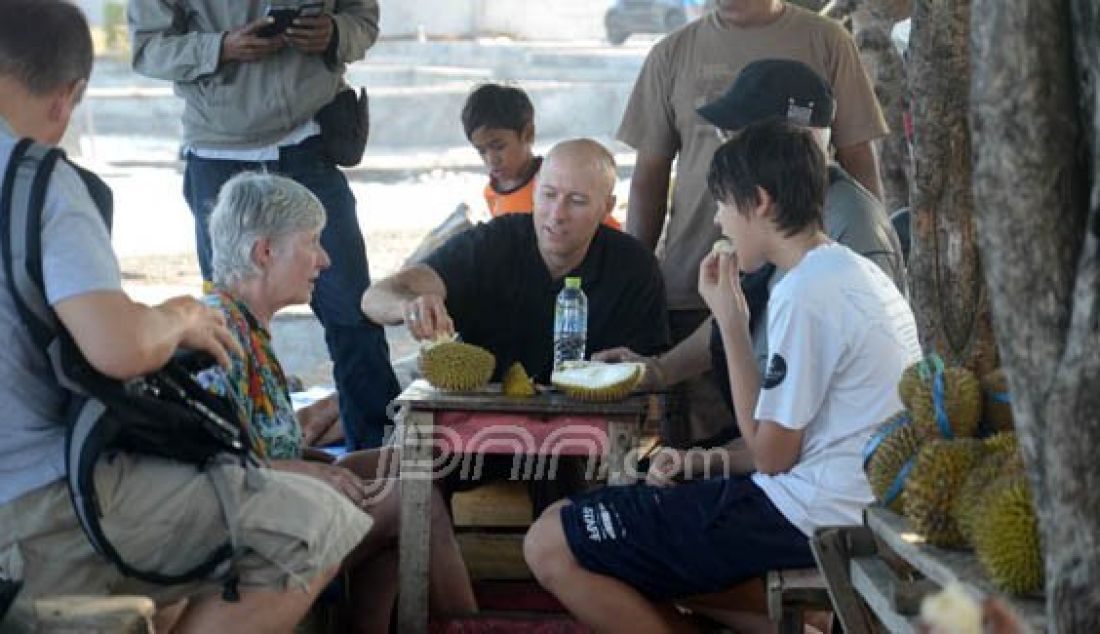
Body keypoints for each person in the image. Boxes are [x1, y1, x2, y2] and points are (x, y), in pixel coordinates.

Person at [0, 2, 367, 632]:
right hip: (38, 500)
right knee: (318, 525)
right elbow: (116, 347)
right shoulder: (37, 183)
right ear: (69, 97)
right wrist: (178, 318)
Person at [523, 119, 921, 632]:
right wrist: (697, 461)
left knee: (550, 542)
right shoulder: (845, 271)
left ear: (759, 202)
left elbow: (773, 457)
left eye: (723, 204)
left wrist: (731, 324)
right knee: (629, 537)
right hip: (840, 502)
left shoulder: (806, 293)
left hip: (809, 515)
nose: (718, 220)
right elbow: (786, 443)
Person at [196, 171, 476, 633]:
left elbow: (254, 443)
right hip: (248, 522)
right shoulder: (216, 334)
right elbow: (209, 464)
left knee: (401, 465)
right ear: (265, 252)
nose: (325, 260)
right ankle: (469, 626)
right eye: (311, 242)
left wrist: (316, 461)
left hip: (274, 489)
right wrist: (309, 471)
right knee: (411, 494)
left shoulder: (245, 326)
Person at [128, 0, 400, 450]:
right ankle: (236, 461)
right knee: (227, 323)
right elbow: (148, 48)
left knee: (353, 313)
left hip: (309, 145)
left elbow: (363, 20)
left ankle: (381, 466)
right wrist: (221, 48)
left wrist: (333, 33)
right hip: (218, 154)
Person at [618, 0, 889, 445]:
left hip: (786, 284)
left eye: (735, 133)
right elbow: (648, 176)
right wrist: (636, 291)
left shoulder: (826, 41)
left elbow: (778, 451)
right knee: (701, 449)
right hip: (699, 288)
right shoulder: (672, 52)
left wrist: (869, 246)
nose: (729, 142)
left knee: (773, 440)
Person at [361, 139, 669, 511]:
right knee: (411, 474)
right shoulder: (495, 244)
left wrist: (637, 373)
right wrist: (411, 306)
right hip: (479, 430)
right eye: (549, 194)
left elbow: (651, 383)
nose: (556, 214)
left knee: (565, 469)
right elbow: (374, 298)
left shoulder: (633, 268)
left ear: (607, 207)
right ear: (535, 191)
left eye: (577, 201)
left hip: (576, 441)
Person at [462, 83, 621, 229]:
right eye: (481, 151)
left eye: (499, 147)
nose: (491, 160)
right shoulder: (491, 193)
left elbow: (607, 228)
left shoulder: (557, 183)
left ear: (528, 134)